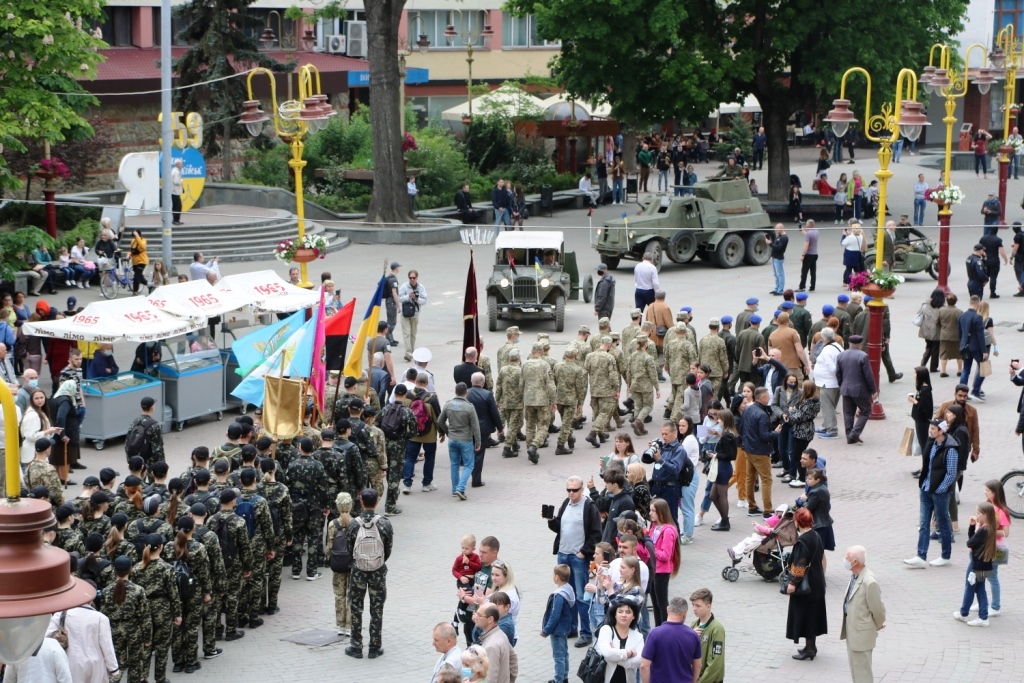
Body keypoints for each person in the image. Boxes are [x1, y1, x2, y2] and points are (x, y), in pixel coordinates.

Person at [546, 476, 601, 647]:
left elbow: (596, 533)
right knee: (566, 594)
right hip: (563, 554)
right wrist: (551, 520)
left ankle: (586, 632)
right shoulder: (566, 503)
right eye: (568, 490)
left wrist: (584, 553)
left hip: (577, 558)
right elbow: (559, 529)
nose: (571, 493)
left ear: (582, 489)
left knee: (581, 596)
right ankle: (572, 628)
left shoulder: (589, 506)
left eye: (574, 490)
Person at [345, 488, 393, 659]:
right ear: (377, 502)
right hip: (378, 572)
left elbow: (349, 549)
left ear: (361, 502)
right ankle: (374, 647)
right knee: (377, 608)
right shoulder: (385, 523)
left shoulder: (353, 524)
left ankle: (356, 646)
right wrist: (378, 561)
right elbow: (388, 550)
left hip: (358, 571)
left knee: (356, 607)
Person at [905, 419, 960, 568]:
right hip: (925, 489)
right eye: (931, 427)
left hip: (939, 493)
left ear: (941, 431)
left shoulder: (950, 449)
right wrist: (923, 484)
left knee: (943, 524)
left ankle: (945, 555)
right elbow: (927, 465)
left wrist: (940, 489)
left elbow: (951, 474)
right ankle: (921, 556)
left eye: (934, 429)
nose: (931, 430)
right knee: (923, 524)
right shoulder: (932, 443)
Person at [784, 508, 827, 660]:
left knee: (807, 616)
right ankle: (811, 646)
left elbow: (799, 566)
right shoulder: (816, 535)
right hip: (817, 583)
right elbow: (822, 558)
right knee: (813, 616)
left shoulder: (802, 541)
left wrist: (792, 583)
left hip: (806, 587)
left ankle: (809, 649)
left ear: (798, 522)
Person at [840, 545, 886, 683]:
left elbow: (877, 609)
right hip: (853, 631)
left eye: (847, 557)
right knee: (856, 669)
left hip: (861, 634)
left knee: (863, 673)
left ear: (855, 562)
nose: (844, 560)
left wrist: (877, 624)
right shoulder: (855, 576)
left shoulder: (869, 581)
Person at [953, 501, 998, 626]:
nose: (976, 516)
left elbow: (970, 543)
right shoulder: (990, 528)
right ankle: (983, 617)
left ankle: (963, 613)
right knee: (980, 589)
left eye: (978, 513)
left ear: (986, 515)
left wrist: (976, 528)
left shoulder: (984, 530)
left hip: (976, 566)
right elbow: (973, 540)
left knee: (969, 588)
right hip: (985, 566)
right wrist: (972, 527)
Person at [640, 596, 702, 683]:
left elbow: (644, 665)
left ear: (667, 609)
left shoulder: (655, 634)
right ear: (685, 613)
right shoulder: (693, 635)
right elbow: (697, 665)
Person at [438, 382, 481, 501]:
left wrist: (448, 432)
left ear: (455, 392)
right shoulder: (469, 407)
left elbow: (440, 421)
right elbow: (475, 426)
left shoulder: (448, 405)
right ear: (466, 393)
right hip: (465, 440)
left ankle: (454, 489)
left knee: (454, 464)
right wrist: (478, 442)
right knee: (469, 465)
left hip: (452, 439)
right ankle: (460, 488)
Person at [739, 387, 776, 516]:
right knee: (766, 479)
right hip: (760, 451)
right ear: (762, 398)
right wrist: (776, 433)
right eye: (767, 396)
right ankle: (768, 510)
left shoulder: (747, 410)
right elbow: (764, 436)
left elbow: (742, 428)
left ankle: (752, 506)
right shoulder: (763, 415)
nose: (769, 398)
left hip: (748, 448)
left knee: (750, 478)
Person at [836, 335, 876, 445]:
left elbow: (838, 373)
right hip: (859, 390)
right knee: (866, 411)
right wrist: (873, 390)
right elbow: (868, 375)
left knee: (848, 413)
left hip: (846, 388)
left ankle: (849, 436)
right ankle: (855, 432)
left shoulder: (841, 355)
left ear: (849, 343)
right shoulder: (863, 356)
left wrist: (842, 385)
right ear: (860, 344)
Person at [595, 598, 645, 683]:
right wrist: (629, 653)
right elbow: (607, 653)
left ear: (633, 616)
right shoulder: (606, 630)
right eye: (620, 612)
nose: (624, 615)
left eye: (628, 612)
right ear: (615, 614)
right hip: (606, 679)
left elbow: (640, 660)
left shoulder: (638, 636)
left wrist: (615, 657)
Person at [648, 498, 680, 626]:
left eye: (653, 511)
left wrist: (651, 549)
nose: (650, 513)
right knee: (655, 603)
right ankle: (658, 628)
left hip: (661, 571)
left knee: (662, 604)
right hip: (653, 569)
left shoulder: (668, 530)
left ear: (661, 513)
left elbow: (666, 555)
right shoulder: (654, 527)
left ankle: (666, 628)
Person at [689, 588, 725, 683]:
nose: (694, 609)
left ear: (708, 607)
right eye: (693, 605)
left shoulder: (716, 629)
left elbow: (715, 663)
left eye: (698, 606)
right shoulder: (694, 625)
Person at [957, 295, 988, 401]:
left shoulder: (962, 316)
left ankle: (962, 392)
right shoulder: (978, 317)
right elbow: (980, 336)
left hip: (965, 346)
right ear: (978, 304)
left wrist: (961, 345)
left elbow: (960, 333)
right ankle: (976, 390)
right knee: (984, 367)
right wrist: (984, 351)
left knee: (966, 369)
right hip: (975, 348)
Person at [398, 270, 427, 361]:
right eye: (410, 278)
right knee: (407, 333)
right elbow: (399, 298)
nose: (412, 279)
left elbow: (424, 300)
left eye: (414, 278)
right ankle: (408, 353)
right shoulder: (404, 286)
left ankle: (412, 351)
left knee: (413, 334)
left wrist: (416, 298)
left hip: (415, 314)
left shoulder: (421, 287)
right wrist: (408, 296)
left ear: (417, 278)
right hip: (405, 313)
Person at [908, 366, 934, 457]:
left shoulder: (925, 390)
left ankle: (926, 467)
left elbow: (923, 406)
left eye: (915, 373)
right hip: (919, 419)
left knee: (924, 443)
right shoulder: (922, 388)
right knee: (922, 442)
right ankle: (924, 467)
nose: (914, 375)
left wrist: (913, 401)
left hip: (922, 420)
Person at [768, 224, 788, 294]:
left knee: (780, 274)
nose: (776, 230)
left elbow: (779, 248)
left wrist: (770, 244)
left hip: (778, 258)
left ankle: (780, 290)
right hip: (774, 257)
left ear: (781, 229)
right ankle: (777, 288)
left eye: (777, 229)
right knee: (776, 274)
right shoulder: (779, 236)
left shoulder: (784, 238)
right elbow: (775, 245)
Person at [129, 228, 149, 294]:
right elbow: (132, 250)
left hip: (142, 261)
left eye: (135, 236)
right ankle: (137, 290)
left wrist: (137, 237)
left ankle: (146, 285)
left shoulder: (143, 240)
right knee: (138, 276)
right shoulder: (133, 241)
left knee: (137, 275)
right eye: (134, 236)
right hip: (135, 262)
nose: (134, 237)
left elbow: (143, 247)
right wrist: (128, 255)